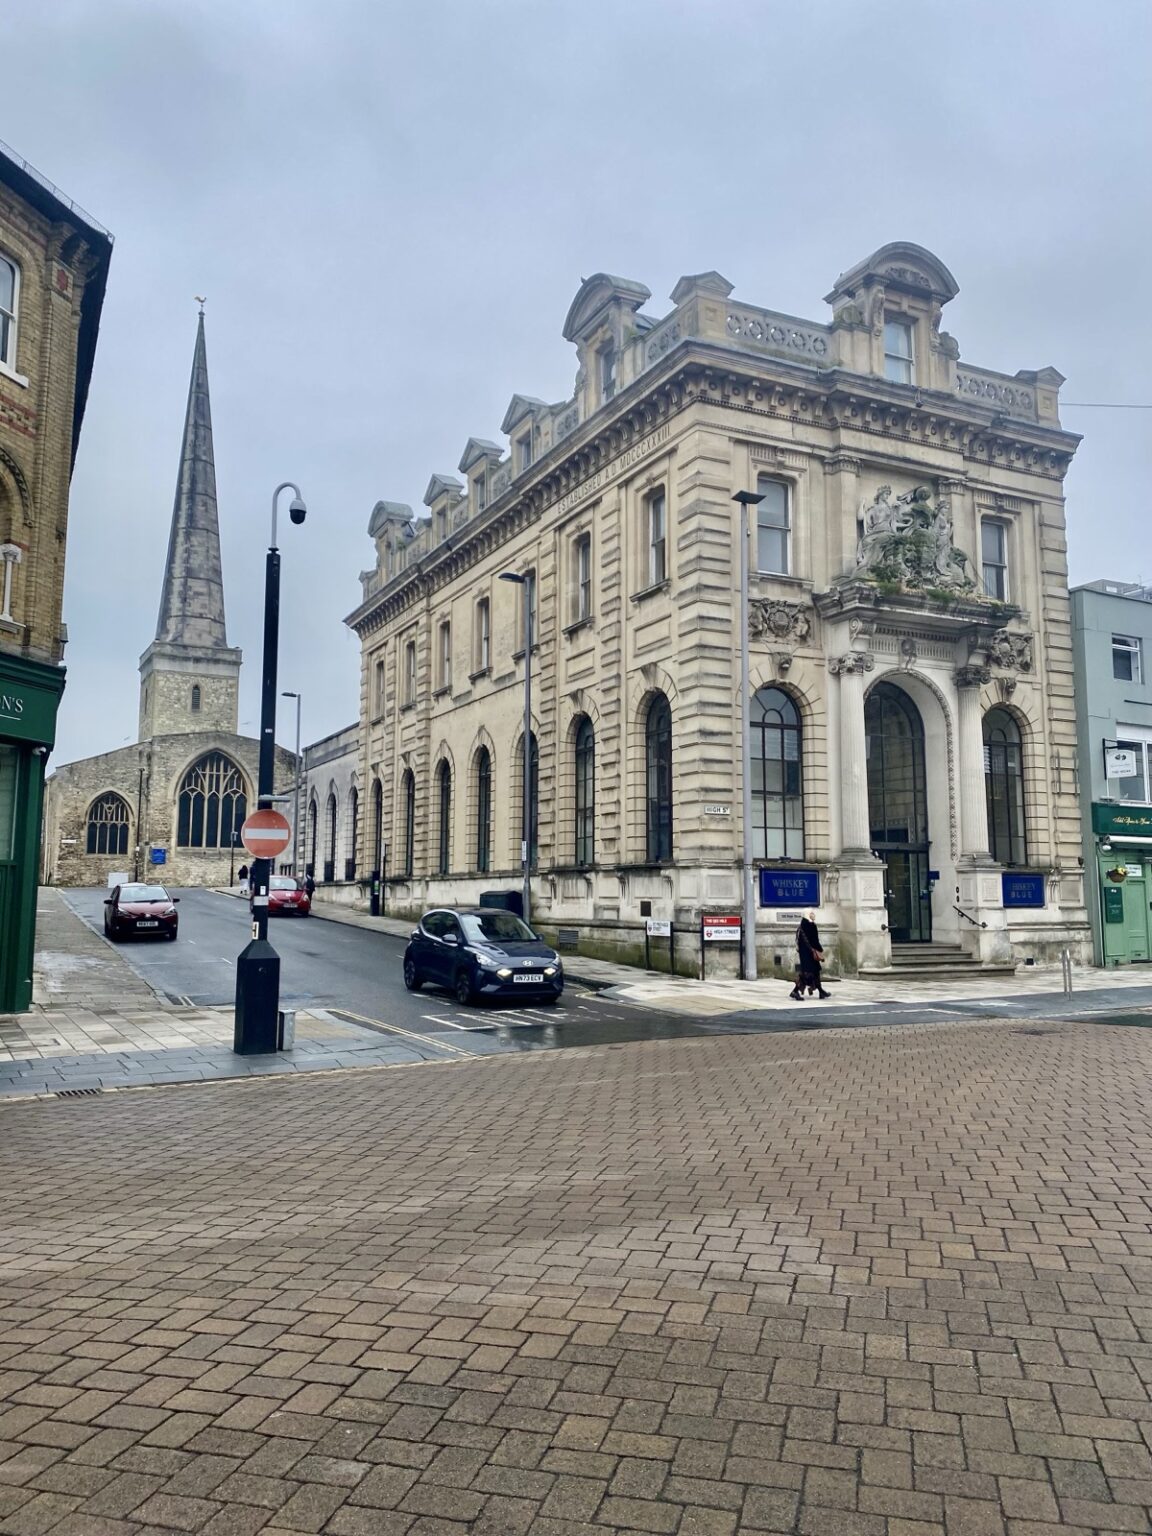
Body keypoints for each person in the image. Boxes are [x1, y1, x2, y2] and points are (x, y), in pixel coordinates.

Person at [790, 909, 830, 1000]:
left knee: (814, 972)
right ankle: (795, 991)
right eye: (811, 913)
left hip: (805, 953)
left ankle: (821, 991)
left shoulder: (802, 925)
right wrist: (820, 949)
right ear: (807, 915)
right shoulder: (811, 925)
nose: (813, 915)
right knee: (807, 973)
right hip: (810, 953)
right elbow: (814, 940)